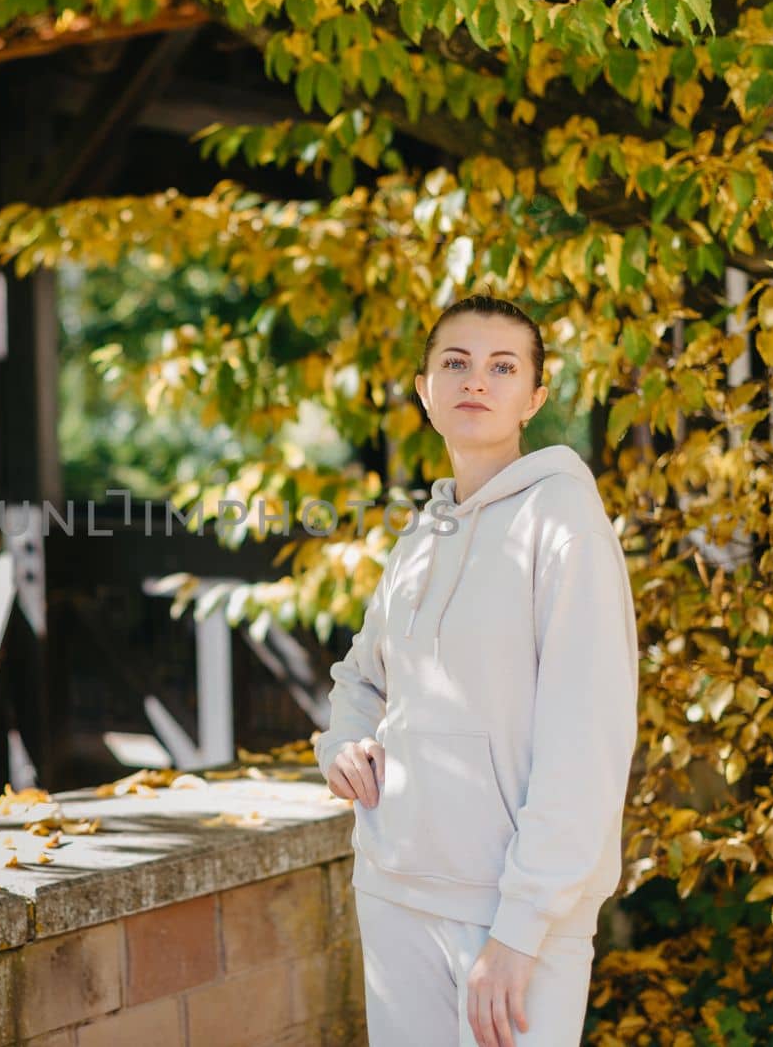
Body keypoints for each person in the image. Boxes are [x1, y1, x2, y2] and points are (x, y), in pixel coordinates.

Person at [314, 294, 640, 1047]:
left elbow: (586, 742)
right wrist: (341, 744)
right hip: (394, 889)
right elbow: (360, 679)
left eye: (502, 366)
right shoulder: (420, 539)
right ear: (425, 389)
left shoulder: (564, 526)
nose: (476, 382)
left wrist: (521, 931)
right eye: (454, 363)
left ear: (535, 395)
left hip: (513, 913)